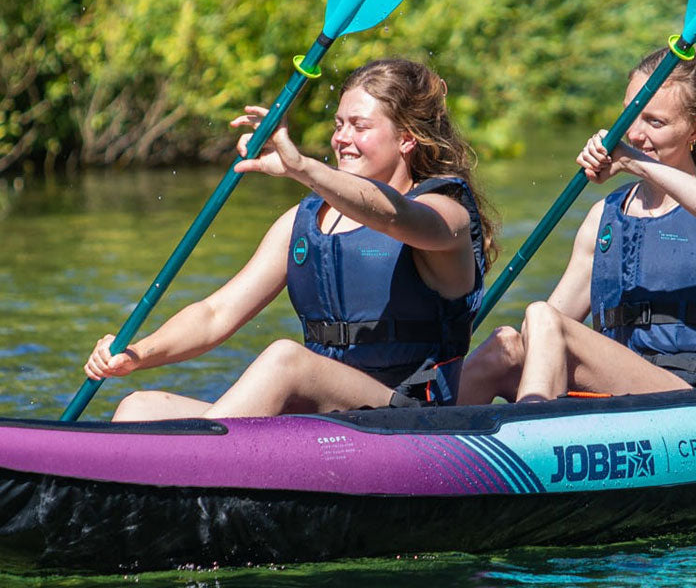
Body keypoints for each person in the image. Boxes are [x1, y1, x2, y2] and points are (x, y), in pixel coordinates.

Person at [83, 58, 495, 420]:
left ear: (406, 138)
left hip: (411, 417)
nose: (342, 138)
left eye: (360, 126)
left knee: (286, 359)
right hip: (328, 420)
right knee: (139, 407)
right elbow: (215, 314)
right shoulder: (301, 223)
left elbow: (392, 215)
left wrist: (300, 166)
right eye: (338, 125)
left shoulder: (445, 214)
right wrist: (137, 354)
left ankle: (196, 460)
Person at [458, 48, 696, 404]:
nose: (635, 134)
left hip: (694, 397)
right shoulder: (604, 216)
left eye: (655, 122)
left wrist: (633, 163)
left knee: (542, 316)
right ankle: (428, 426)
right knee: (505, 344)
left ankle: (531, 431)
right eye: (631, 115)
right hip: (614, 393)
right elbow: (547, 328)